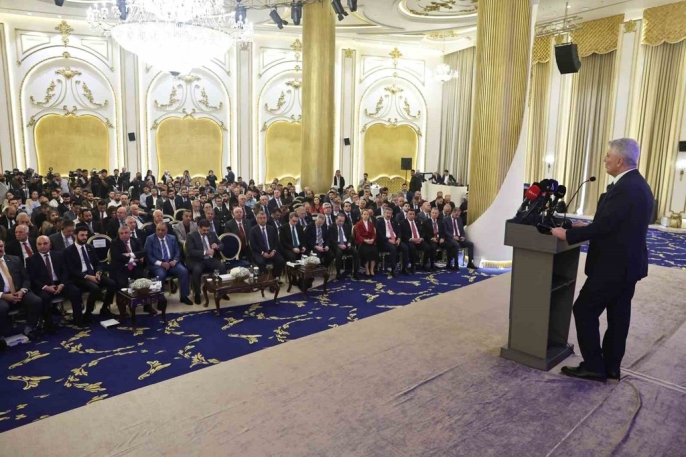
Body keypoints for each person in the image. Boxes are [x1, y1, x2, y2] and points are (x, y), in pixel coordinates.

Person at [551, 139, 653, 383]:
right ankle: (611, 367)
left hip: (612, 266)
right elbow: (616, 223)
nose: (605, 159)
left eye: (608, 156)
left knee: (584, 309)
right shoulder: (637, 184)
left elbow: (606, 227)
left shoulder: (625, 188)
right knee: (618, 316)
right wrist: (587, 226)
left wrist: (568, 234)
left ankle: (594, 366)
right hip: (628, 264)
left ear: (619, 160)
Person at [26, 236, 81, 330]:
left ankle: (78, 320)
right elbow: (33, 278)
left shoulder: (59, 255)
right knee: (44, 298)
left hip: (60, 283)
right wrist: (45, 287)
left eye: (45, 243)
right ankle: (49, 325)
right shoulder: (31, 260)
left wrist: (62, 284)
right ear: (36, 246)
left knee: (75, 291)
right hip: (44, 286)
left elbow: (65, 272)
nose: (42, 246)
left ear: (50, 244)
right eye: (39, 244)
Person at [64, 227, 118, 324]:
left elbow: (97, 263)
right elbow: (72, 270)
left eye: (86, 235)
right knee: (95, 288)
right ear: (75, 236)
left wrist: (98, 272)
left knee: (112, 284)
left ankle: (104, 308)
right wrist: (88, 277)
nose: (85, 237)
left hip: (93, 273)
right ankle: (88, 313)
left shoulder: (90, 247)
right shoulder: (69, 251)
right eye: (82, 235)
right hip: (80, 277)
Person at [0, 239, 46, 339]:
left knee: (36, 301)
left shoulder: (15, 259)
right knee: (1, 308)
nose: (0, 249)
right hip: (2, 296)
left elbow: (26, 278)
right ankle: (1, 336)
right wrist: (3, 295)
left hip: (19, 291)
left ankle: (29, 329)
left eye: (1, 246)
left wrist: (22, 290)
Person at [145, 223, 193, 305]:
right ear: (155, 230)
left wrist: (174, 260)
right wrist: (161, 263)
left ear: (166, 230)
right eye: (158, 230)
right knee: (160, 275)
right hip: (158, 264)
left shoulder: (172, 238)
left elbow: (177, 251)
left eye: (162, 230)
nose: (160, 232)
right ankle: (160, 299)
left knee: (184, 271)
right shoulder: (150, 239)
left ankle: (184, 296)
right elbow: (148, 255)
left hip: (171, 263)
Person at [186, 219, 226, 304]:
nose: (206, 232)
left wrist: (217, 246)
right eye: (204, 230)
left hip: (210, 259)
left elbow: (222, 245)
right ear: (199, 228)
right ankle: (197, 293)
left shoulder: (212, 234)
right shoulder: (191, 236)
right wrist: (205, 252)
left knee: (221, 267)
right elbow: (191, 251)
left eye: (208, 230)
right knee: (197, 270)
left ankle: (222, 291)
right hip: (196, 260)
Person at [249, 211, 285, 279]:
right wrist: (262, 253)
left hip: (271, 251)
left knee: (281, 261)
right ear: (257, 219)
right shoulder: (253, 230)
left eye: (264, 218)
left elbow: (276, 242)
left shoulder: (271, 228)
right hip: (259, 252)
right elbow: (253, 245)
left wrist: (274, 251)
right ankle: (265, 279)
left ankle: (275, 277)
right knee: (261, 262)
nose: (263, 220)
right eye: (260, 218)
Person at [376, 207, 410, 276]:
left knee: (405, 248)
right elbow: (379, 234)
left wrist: (399, 239)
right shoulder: (379, 222)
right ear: (384, 214)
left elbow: (399, 232)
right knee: (393, 249)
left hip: (395, 239)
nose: (388, 215)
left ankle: (404, 267)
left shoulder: (394, 221)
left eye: (390, 213)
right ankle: (393, 269)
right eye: (387, 213)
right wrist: (389, 240)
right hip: (385, 240)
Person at [329, 213, 359, 280]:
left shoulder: (346, 226)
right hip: (337, 244)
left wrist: (349, 243)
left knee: (356, 252)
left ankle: (355, 273)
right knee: (339, 253)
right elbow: (331, 239)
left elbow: (350, 237)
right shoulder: (331, 227)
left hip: (346, 244)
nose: (341, 223)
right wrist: (339, 244)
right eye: (340, 221)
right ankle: (338, 273)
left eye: (343, 221)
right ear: (336, 219)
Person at [353, 209, 378, 277]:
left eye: (367, 214)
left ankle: (372, 269)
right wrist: (365, 240)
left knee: (374, 250)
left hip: (370, 241)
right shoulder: (358, 224)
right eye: (364, 214)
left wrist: (372, 239)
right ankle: (366, 269)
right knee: (366, 251)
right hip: (362, 242)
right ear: (362, 215)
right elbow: (358, 236)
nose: (366, 216)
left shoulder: (371, 224)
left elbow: (373, 234)